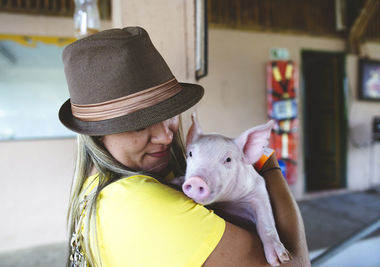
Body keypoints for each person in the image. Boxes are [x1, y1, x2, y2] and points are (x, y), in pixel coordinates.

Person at [59, 26, 310, 267]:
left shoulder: (100, 186)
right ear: (98, 135)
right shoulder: (140, 204)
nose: (166, 137)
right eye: (138, 125)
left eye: (170, 114)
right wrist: (268, 165)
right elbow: (296, 265)